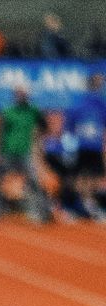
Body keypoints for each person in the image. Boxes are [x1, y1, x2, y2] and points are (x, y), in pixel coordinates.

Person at [0, 82, 50, 219]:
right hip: (7, 152)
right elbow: (0, 133)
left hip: (25, 152)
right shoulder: (7, 111)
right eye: (19, 93)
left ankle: (39, 212)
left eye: (24, 93)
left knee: (34, 181)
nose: (22, 96)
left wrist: (37, 139)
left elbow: (45, 127)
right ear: (15, 95)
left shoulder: (34, 111)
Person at [70, 72, 106, 217]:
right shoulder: (83, 103)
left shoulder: (101, 104)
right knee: (82, 175)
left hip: (94, 145)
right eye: (97, 83)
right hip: (83, 145)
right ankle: (80, 203)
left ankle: (88, 202)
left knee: (93, 176)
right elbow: (71, 125)